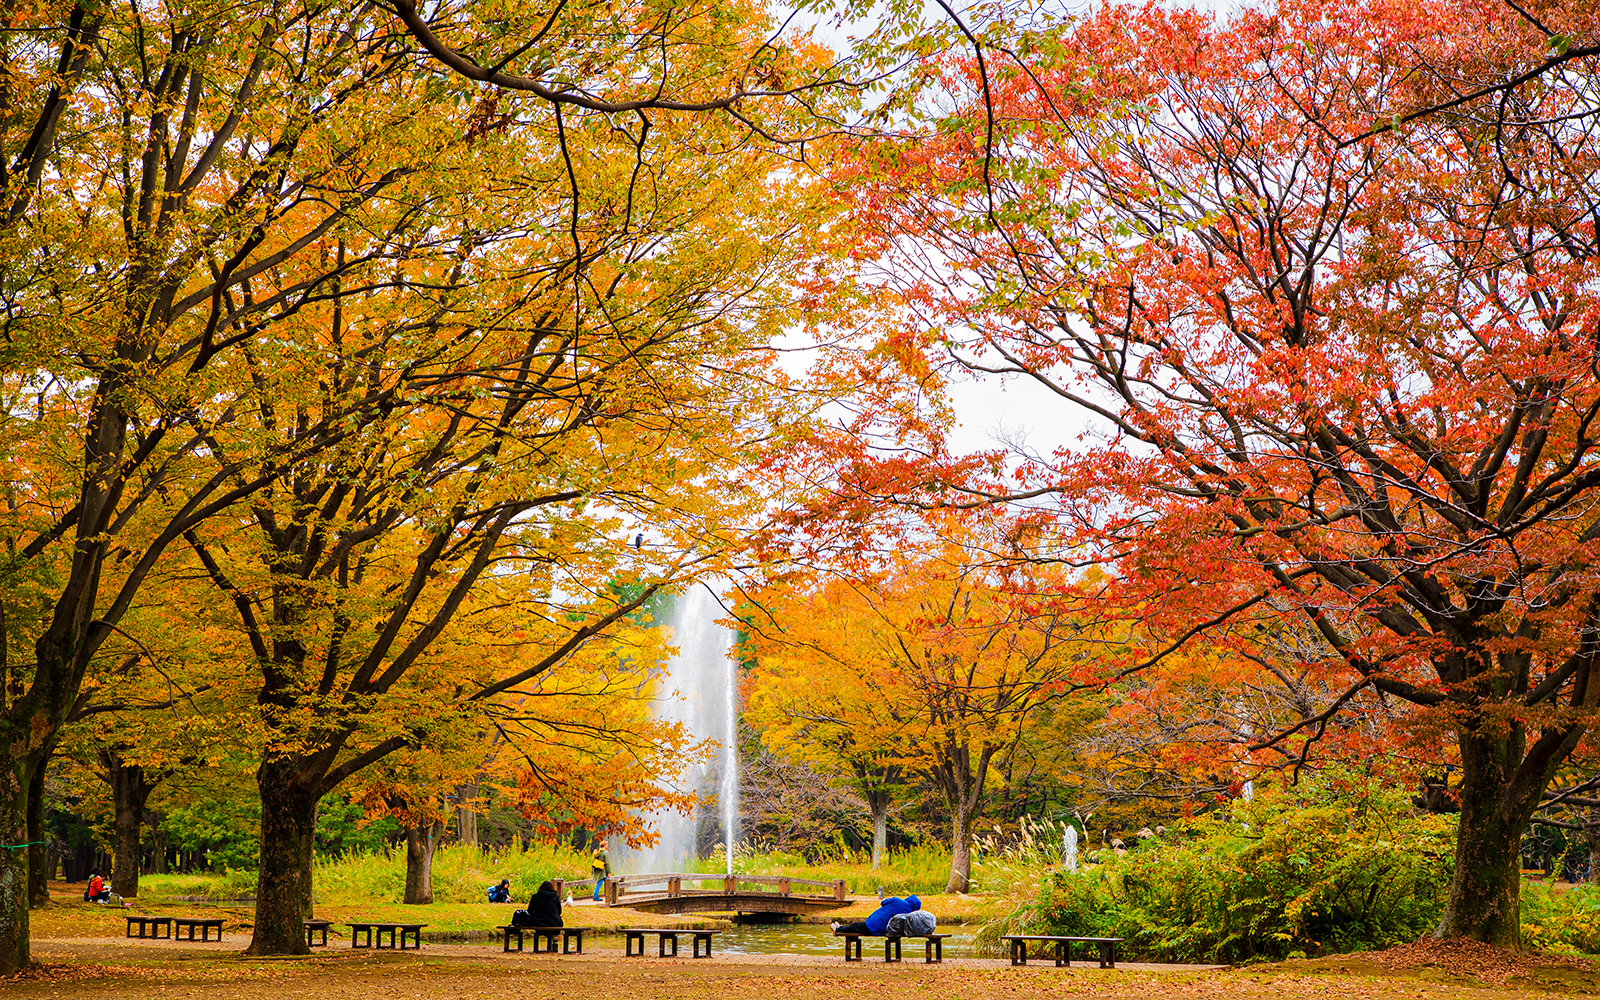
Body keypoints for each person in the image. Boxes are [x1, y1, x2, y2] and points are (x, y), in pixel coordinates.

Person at [831, 893, 920, 935]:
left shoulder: (897, 900)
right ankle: (840, 928)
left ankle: (838, 930)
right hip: (886, 930)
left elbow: (883, 902)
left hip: (874, 924)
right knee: (858, 927)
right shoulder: (909, 915)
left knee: (856, 926)